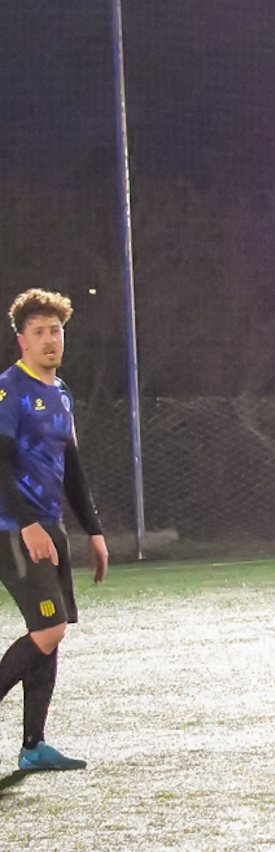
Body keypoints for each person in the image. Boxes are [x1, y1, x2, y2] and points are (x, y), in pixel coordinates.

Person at [0, 289, 108, 773]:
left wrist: (93, 531)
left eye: (56, 331)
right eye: (39, 331)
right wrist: (28, 525)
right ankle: (32, 744)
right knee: (50, 628)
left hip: (50, 528)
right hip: (11, 529)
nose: (50, 340)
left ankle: (33, 747)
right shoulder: (10, 391)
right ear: (22, 340)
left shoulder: (62, 393)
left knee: (48, 633)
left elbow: (73, 467)